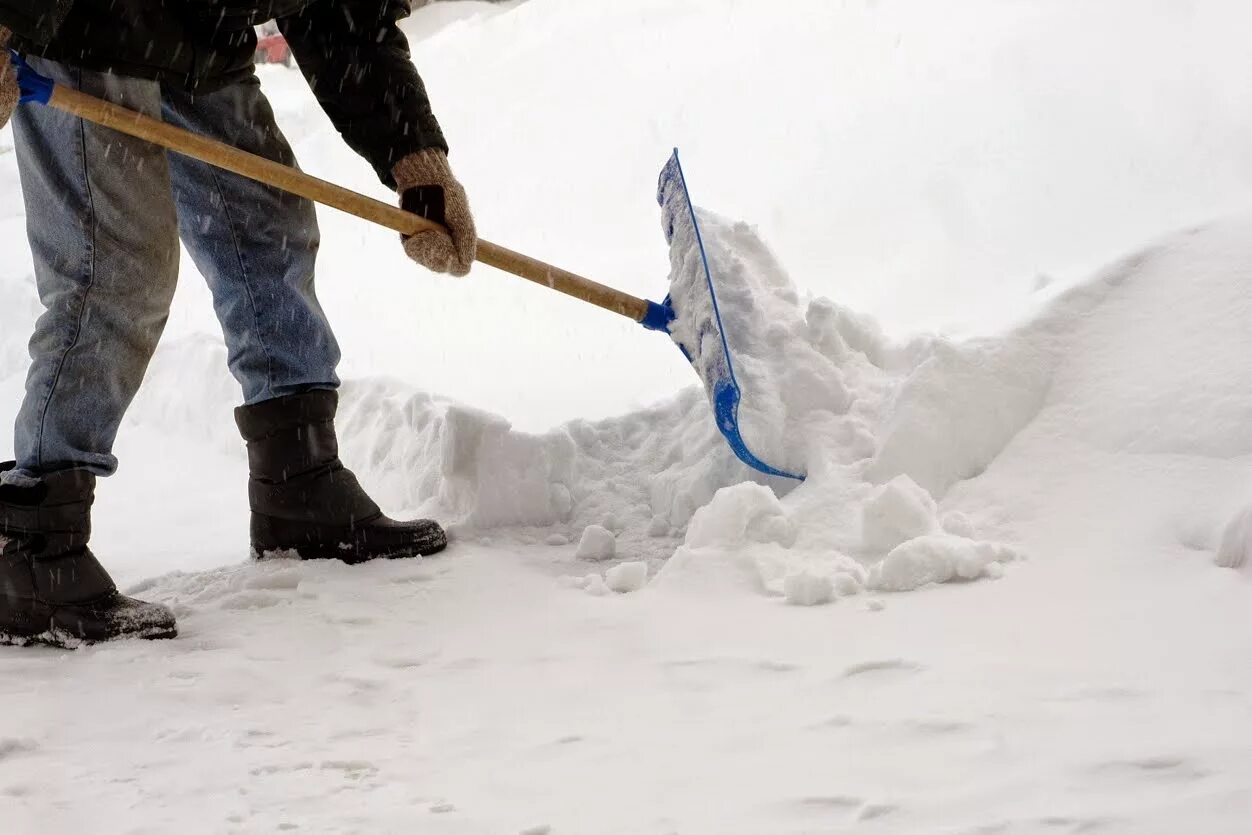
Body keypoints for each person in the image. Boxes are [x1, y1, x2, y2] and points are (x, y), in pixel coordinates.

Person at [0, 1, 477, 647]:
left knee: (269, 229)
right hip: (84, 23)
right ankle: (32, 544)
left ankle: (298, 483)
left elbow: (344, 16)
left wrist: (415, 156)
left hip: (201, 34)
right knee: (112, 267)